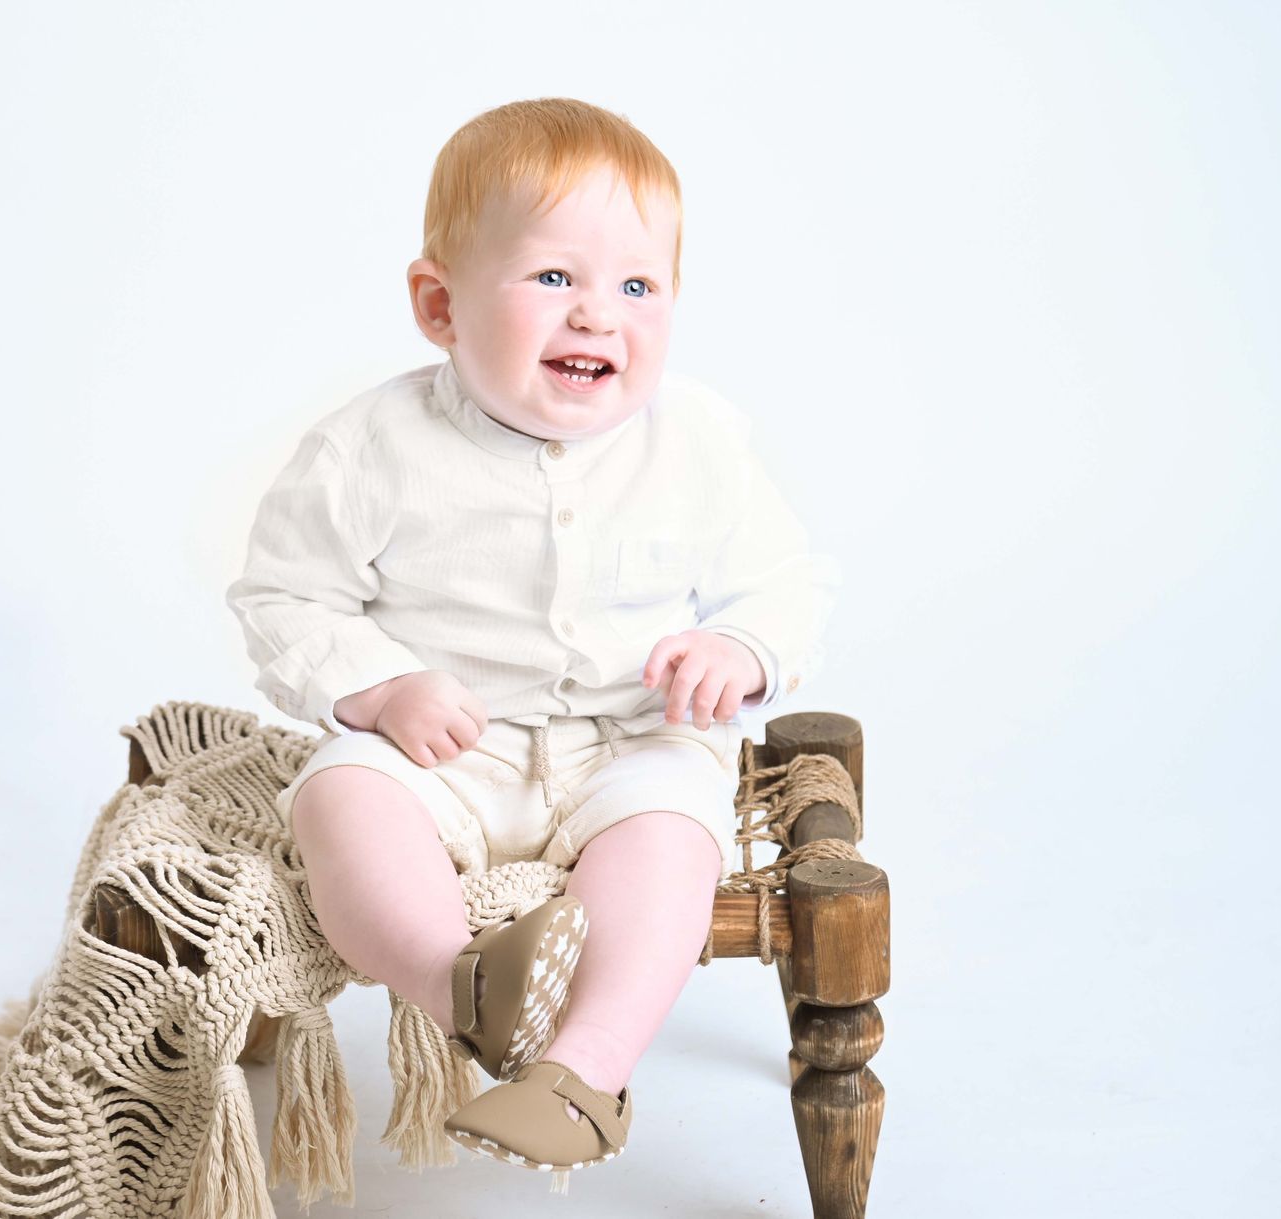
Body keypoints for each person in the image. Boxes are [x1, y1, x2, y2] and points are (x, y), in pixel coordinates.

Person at [226, 97, 838, 1183]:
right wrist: (381, 688)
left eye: (637, 286)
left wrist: (740, 647)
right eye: (555, 277)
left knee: (673, 840)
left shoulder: (697, 442)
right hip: (442, 750)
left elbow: (785, 582)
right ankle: (462, 982)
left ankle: (585, 1075)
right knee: (339, 796)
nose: (599, 315)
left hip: (633, 743)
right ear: (440, 305)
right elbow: (284, 595)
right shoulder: (373, 447)